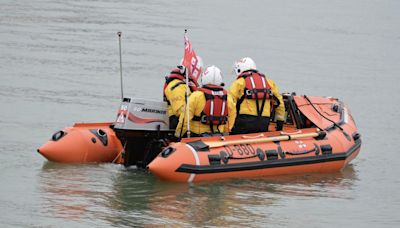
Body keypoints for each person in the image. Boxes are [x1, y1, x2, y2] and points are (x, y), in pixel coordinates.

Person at [175, 66, 236, 138]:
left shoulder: (196, 96)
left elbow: (185, 120)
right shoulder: (228, 98)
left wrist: (178, 136)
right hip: (219, 137)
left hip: (197, 137)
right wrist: (225, 132)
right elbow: (231, 120)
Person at [229, 57, 285, 134]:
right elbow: (280, 104)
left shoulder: (239, 83)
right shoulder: (269, 83)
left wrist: (227, 127)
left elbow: (229, 103)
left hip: (243, 123)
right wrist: (280, 125)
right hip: (264, 123)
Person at [163, 57, 203, 130]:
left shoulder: (188, 84)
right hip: (177, 125)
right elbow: (180, 112)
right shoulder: (176, 87)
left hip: (187, 124)